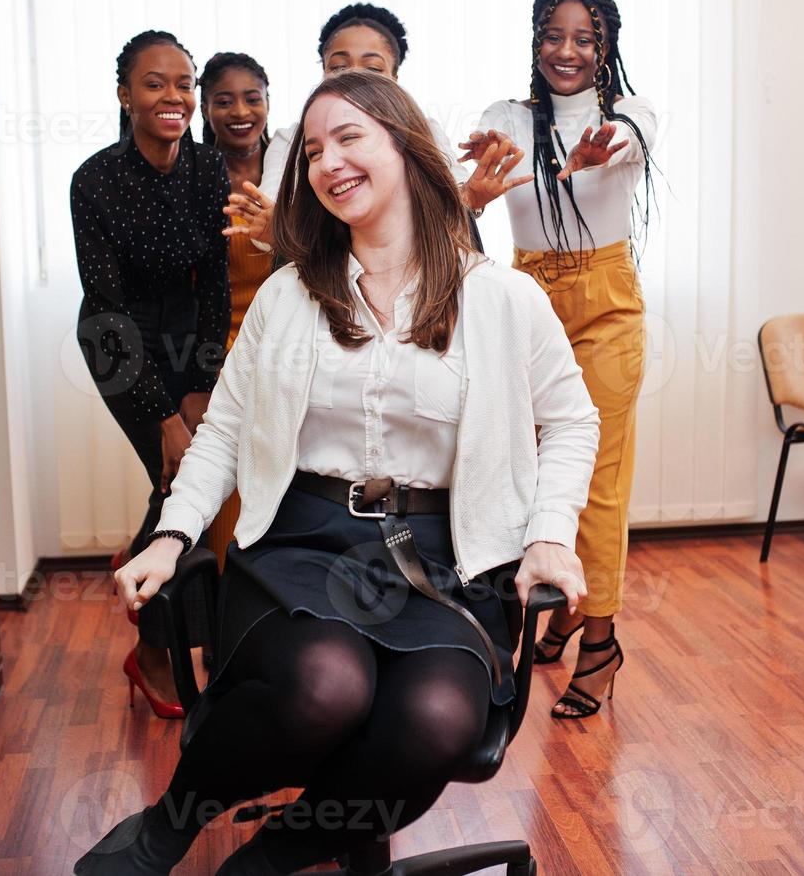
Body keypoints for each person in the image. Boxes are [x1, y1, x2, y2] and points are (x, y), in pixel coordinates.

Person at [74, 70, 599, 875]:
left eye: (350, 137)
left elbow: (571, 420)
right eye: (313, 149)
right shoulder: (290, 296)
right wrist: (171, 536)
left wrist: (550, 538)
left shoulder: (500, 297)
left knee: (436, 720)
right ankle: (168, 826)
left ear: (405, 146)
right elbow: (223, 431)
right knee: (327, 685)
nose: (327, 161)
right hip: (303, 542)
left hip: (445, 556)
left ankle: (264, 862)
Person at [468, 0, 658, 720]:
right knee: (531, 470)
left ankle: (600, 639)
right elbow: (486, 185)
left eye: (585, 37)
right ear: (535, 41)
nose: (568, 51)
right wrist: (479, 184)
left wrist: (587, 154)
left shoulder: (628, 117)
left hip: (605, 303)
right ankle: (562, 603)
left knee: (600, 482)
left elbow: (621, 148)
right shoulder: (505, 118)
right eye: (554, 36)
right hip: (525, 302)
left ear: (605, 46)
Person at [70, 30, 230, 719]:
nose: (174, 97)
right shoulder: (96, 179)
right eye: (155, 83)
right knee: (177, 481)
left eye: (183, 83)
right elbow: (106, 307)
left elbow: (216, 285)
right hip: (118, 343)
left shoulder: (207, 169)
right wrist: (166, 416)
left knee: (185, 488)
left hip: (188, 335)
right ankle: (157, 652)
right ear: (124, 95)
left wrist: (199, 385)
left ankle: (142, 568)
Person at [239, 2, 527, 248]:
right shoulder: (292, 139)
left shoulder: (422, 129)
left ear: (395, 78)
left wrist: (471, 199)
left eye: (373, 68)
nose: (354, 76)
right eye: (338, 66)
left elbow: (456, 201)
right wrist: (275, 229)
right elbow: (267, 222)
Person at [198, 51, 275, 565]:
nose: (240, 111)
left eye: (252, 98)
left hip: (285, 347)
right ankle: (226, 636)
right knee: (222, 492)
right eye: (223, 101)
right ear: (205, 110)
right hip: (217, 353)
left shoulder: (295, 167)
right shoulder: (194, 179)